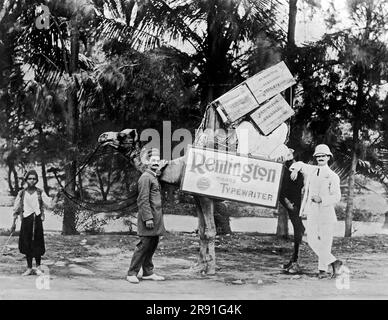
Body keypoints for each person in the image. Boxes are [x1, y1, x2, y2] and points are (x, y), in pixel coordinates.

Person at [289, 144, 343, 278]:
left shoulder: (333, 176)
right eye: (318, 156)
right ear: (315, 158)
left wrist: (322, 199)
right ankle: (334, 262)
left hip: (326, 212)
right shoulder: (312, 170)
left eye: (323, 156)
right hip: (312, 211)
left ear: (328, 157)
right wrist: (295, 170)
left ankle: (322, 271)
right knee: (312, 240)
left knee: (325, 242)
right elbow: (299, 164)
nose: (320, 158)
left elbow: (337, 196)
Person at [126, 148, 166, 283]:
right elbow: (142, 200)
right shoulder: (145, 178)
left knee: (152, 244)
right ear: (147, 162)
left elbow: (156, 173)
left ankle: (148, 272)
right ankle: (132, 273)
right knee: (144, 245)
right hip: (148, 218)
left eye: (157, 160)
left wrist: (160, 168)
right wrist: (148, 218)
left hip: (156, 217)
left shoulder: (153, 176)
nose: (155, 163)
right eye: (153, 161)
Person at [11, 170, 51, 276]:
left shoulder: (40, 192)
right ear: (26, 180)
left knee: (37, 243)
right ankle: (29, 268)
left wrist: (58, 196)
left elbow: (50, 204)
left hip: (37, 220)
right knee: (27, 244)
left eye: (34, 178)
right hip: (26, 221)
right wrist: (13, 223)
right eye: (30, 178)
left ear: (37, 180)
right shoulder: (22, 193)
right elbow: (16, 209)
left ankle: (38, 268)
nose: (32, 180)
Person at [279, 149, 305, 274]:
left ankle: (296, 261)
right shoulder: (283, 168)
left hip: (297, 203)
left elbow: (300, 184)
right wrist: (287, 202)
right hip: (289, 201)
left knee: (298, 229)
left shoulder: (299, 167)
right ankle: (294, 260)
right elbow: (280, 190)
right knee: (298, 228)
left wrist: (295, 169)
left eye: (289, 154)